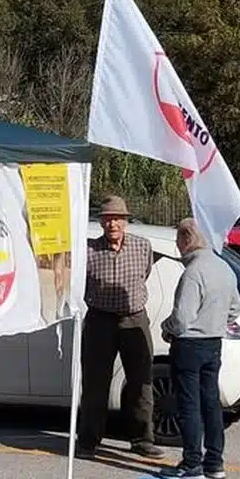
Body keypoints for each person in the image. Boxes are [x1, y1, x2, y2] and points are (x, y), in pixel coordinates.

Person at [77, 196, 163, 460]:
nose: (112, 223)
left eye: (117, 218)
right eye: (107, 218)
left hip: (134, 319)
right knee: (95, 383)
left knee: (141, 382)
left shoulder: (142, 246)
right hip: (99, 320)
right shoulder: (88, 250)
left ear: (125, 221)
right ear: (101, 222)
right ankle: (89, 441)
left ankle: (142, 440)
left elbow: (145, 274)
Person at [158, 218, 240, 479]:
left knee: (189, 405)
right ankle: (215, 461)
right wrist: (215, 321)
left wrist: (167, 327)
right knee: (211, 403)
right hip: (214, 342)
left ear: (185, 240)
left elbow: (183, 316)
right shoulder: (224, 267)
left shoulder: (194, 272)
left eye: (178, 241)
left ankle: (192, 463)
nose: (178, 247)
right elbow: (235, 309)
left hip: (189, 344)